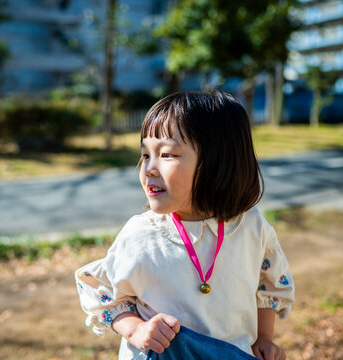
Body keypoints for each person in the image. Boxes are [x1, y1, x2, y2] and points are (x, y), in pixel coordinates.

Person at [75, 91, 295, 360]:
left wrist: (265, 339)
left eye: (166, 154)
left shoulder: (251, 226)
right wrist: (135, 330)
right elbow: (103, 293)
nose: (149, 169)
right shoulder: (141, 235)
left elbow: (267, 284)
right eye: (145, 155)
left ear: (219, 161)